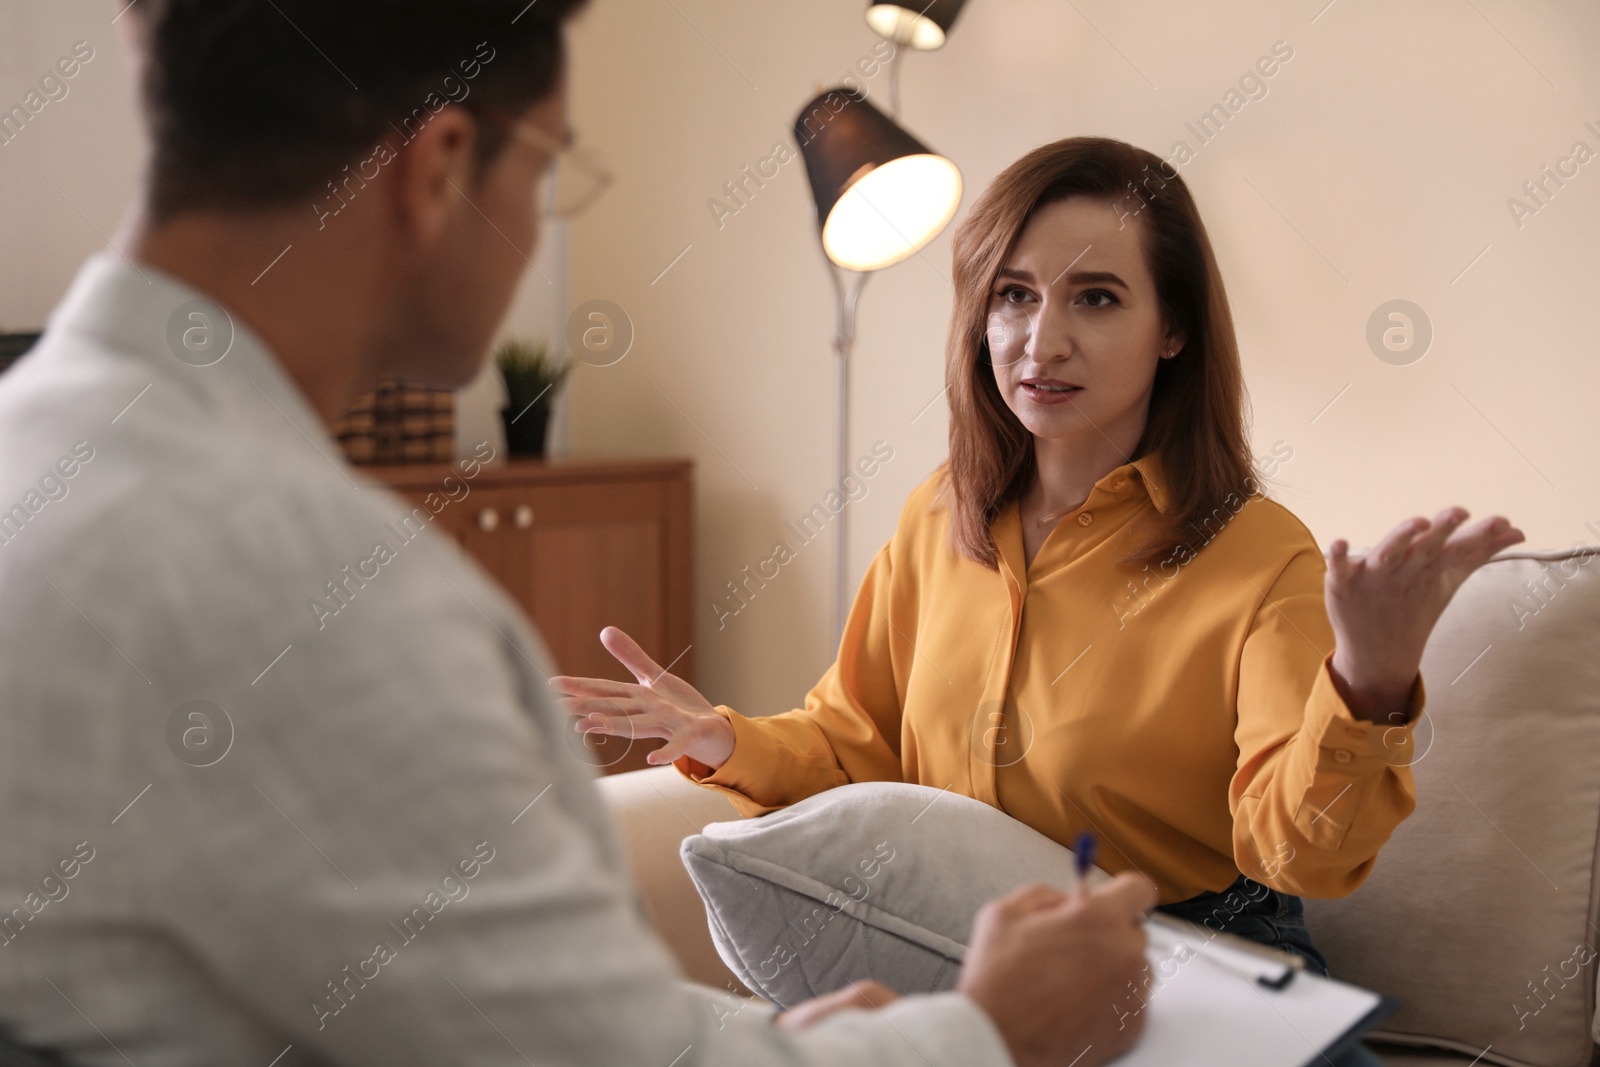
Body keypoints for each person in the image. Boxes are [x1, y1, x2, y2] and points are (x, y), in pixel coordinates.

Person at [0, 2, 1160, 1066]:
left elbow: (439, 1008)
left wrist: (770, 1034)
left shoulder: (40, 451)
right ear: (440, 170)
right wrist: (987, 1030)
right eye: (551, 167)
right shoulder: (311, 589)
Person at [554, 136, 1526, 981]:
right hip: (958, 950)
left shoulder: (1260, 554)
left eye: (1095, 297)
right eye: (1012, 295)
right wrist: (724, 737)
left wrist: (1368, 681)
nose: (1040, 339)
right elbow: (857, 743)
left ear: (1173, 328)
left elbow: (1294, 853)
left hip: (1193, 959)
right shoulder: (936, 517)